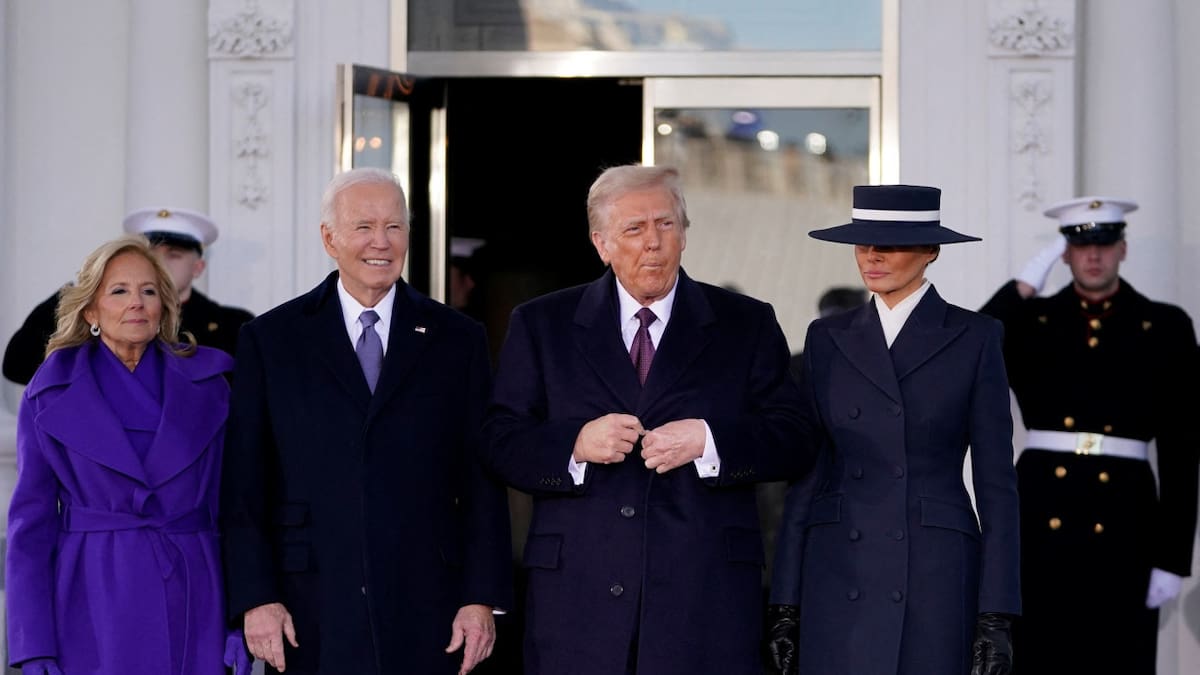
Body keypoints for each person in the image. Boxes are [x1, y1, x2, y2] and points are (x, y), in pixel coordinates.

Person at [482, 163, 814, 675]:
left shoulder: (745, 322)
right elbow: (501, 440)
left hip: (706, 600)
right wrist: (575, 444)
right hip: (578, 600)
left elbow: (795, 436)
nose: (652, 243)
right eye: (634, 229)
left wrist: (708, 440)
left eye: (665, 224)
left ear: (684, 233)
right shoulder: (541, 323)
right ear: (601, 243)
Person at [218, 167, 513, 675]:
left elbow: (481, 480)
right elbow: (245, 485)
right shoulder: (272, 339)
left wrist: (481, 597)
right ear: (329, 238)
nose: (382, 241)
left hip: (430, 604)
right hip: (309, 602)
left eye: (395, 227)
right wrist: (255, 597)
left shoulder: (457, 339)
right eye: (364, 227)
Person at [766, 185, 1021, 675]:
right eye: (863, 243)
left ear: (931, 252)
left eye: (891, 244)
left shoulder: (976, 338)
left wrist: (997, 616)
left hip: (932, 574)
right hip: (838, 570)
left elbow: (997, 489)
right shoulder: (827, 338)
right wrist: (784, 605)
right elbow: (807, 478)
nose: (873, 256)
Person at [5, 234, 250, 674]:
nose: (136, 303)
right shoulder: (49, 393)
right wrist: (33, 642)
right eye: (119, 291)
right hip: (89, 597)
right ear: (91, 310)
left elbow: (232, 510)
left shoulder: (211, 385)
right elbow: (30, 528)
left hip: (195, 592)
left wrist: (240, 616)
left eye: (149, 291)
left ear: (165, 307)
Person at [979, 195, 1200, 675]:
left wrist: (1172, 557)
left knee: (1118, 656)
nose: (1093, 255)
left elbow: (1183, 448)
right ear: (1064, 253)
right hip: (1041, 515)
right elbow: (968, 351)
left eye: (1104, 243)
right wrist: (1019, 289)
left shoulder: (1165, 325)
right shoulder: (1032, 322)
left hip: (1126, 518)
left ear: (1123, 248)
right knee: (1037, 654)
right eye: (1081, 246)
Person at [2, 206, 254, 385]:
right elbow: (18, 365)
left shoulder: (233, 324)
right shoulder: (99, 311)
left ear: (198, 267)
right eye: (151, 253)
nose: (160, 263)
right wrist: (84, 289)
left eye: (173, 255)